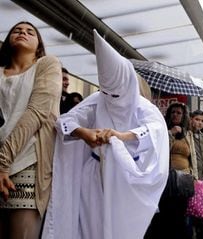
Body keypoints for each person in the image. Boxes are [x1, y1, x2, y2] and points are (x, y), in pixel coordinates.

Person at [42, 30, 169, 239]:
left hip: (126, 181)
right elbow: (65, 121)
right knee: (93, 228)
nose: (112, 100)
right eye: (106, 93)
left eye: (116, 94)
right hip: (94, 178)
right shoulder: (98, 100)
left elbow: (155, 131)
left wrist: (122, 136)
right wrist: (83, 133)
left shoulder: (144, 108)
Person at [0, 21, 62, 238]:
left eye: (30, 32)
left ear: (39, 45)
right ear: (8, 39)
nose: (22, 33)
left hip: (28, 161)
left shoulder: (47, 65)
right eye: (16, 30)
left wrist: (3, 161)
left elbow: (37, 113)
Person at [145, 102, 197, 239]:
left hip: (184, 179)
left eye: (179, 113)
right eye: (173, 112)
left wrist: (194, 176)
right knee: (166, 213)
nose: (175, 115)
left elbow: (193, 157)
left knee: (181, 214)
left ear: (183, 116)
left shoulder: (188, 134)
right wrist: (170, 134)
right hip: (166, 178)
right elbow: (160, 150)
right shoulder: (162, 130)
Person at [189, 109, 203, 239]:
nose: (200, 123)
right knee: (193, 209)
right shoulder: (187, 134)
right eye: (197, 119)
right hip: (192, 177)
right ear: (191, 119)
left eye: (202, 121)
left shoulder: (202, 136)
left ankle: (201, 233)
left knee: (200, 208)